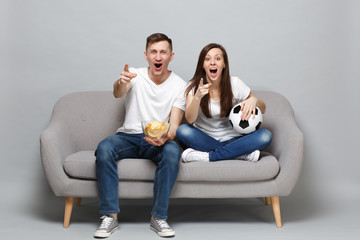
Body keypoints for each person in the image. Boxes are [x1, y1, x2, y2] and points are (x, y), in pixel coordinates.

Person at [93, 33, 186, 238]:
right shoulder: (134, 74)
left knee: (172, 152)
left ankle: (158, 217)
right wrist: (121, 81)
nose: (158, 57)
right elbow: (119, 92)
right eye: (153, 52)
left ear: (171, 56)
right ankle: (110, 217)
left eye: (163, 52)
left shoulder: (180, 85)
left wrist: (165, 138)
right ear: (146, 55)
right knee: (105, 147)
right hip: (129, 137)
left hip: (158, 140)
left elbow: (174, 126)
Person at [176, 43, 272, 163]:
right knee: (183, 131)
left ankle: (210, 156)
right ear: (202, 65)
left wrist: (253, 100)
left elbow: (263, 108)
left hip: (234, 140)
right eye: (207, 59)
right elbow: (190, 119)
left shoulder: (235, 83)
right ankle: (238, 155)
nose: (212, 62)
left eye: (217, 58)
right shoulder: (194, 86)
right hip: (204, 140)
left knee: (265, 135)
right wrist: (197, 97)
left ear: (224, 64)